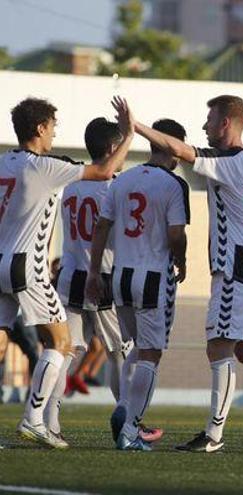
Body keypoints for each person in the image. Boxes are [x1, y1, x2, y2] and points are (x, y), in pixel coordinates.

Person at [126, 95, 243, 453]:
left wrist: (136, 126)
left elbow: (181, 151)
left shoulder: (230, 160)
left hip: (235, 265)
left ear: (226, 123)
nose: (204, 127)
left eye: (209, 119)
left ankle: (214, 435)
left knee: (218, 346)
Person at [0, 96, 132, 448]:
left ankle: (47, 419)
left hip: (4, 262)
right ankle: (35, 420)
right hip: (27, 266)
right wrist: (130, 133)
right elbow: (104, 171)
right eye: (53, 127)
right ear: (40, 128)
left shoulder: (4, 162)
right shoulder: (44, 166)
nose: (55, 134)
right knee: (60, 343)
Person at [87, 115, 190, 451]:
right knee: (151, 353)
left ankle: (123, 408)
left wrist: (92, 272)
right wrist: (183, 260)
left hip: (120, 276)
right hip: (152, 278)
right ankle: (131, 428)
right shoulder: (174, 185)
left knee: (134, 347)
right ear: (172, 149)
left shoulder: (122, 179)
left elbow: (101, 228)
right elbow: (176, 234)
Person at [52, 117, 137, 442]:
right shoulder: (114, 186)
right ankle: (127, 420)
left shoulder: (72, 185)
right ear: (114, 148)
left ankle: (50, 421)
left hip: (70, 275)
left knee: (64, 351)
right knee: (121, 352)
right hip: (101, 276)